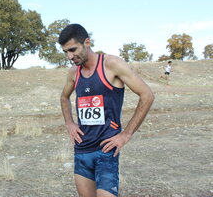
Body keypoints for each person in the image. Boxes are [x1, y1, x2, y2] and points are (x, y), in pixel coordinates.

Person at [59, 24, 154, 197]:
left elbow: (147, 95)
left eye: (73, 49)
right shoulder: (73, 72)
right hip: (82, 150)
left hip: (106, 150)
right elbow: (64, 97)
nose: (69, 56)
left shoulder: (112, 65)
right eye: (65, 52)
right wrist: (69, 123)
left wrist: (126, 134)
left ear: (87, 42)